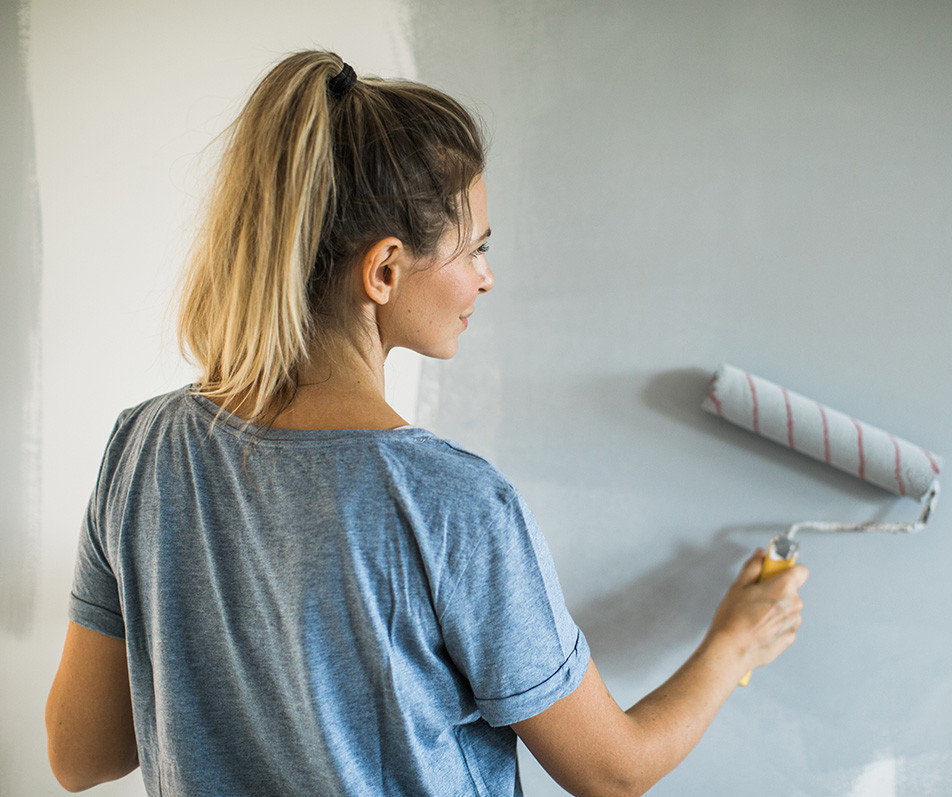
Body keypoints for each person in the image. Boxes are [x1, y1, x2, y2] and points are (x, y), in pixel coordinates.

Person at [44, 50, 808, 796]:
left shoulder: (142, 450)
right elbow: (613, 771)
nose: (487, 274)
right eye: (474, 246)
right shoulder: (453, 503)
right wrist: (736, 639)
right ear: (383, 270)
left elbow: (81, 754)